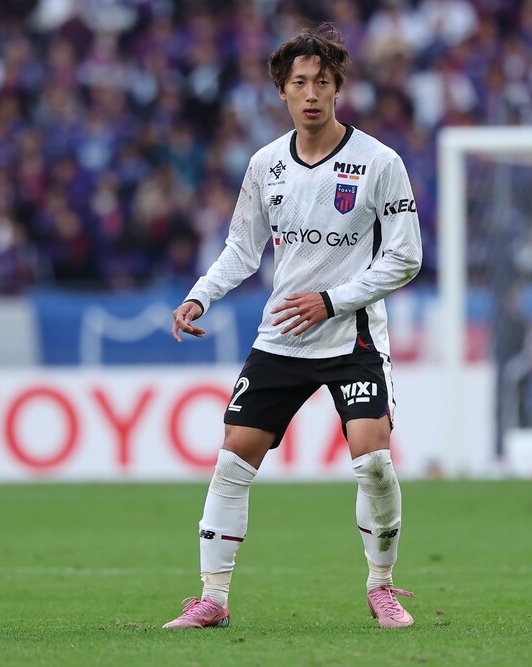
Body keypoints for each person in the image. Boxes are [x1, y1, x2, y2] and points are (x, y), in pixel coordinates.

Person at [163, 25, 423, 629]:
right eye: (299, 82)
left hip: (352, 334)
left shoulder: (380, 163)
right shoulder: (265, 165)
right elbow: (242, 248)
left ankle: (381, 587)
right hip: (283, 335)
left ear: (337, 88)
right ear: (281, 90)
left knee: (374, 460)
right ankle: (213, 599)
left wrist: (332, 301)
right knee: (233, 458)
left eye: (322, 82)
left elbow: (406, 257)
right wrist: (200, 296)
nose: (311, 93)